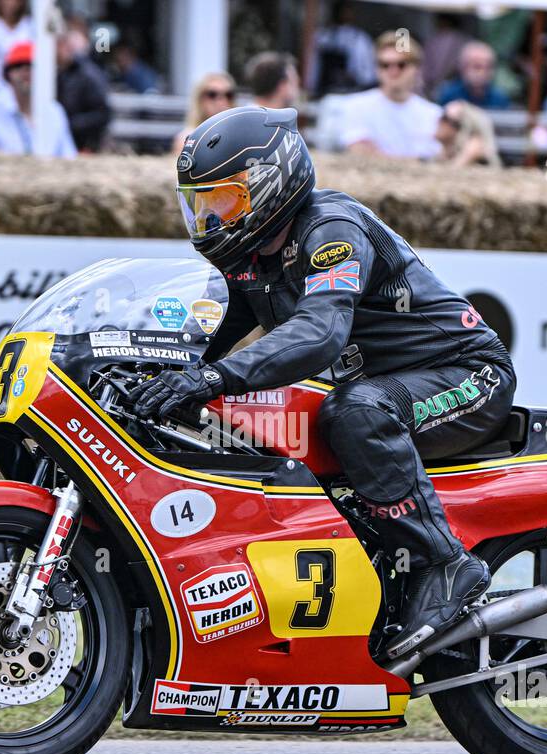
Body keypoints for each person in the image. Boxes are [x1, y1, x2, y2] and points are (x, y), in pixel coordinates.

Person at [136, 106, 516, 648]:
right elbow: (209, 331)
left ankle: (445, 564)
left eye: (225, 201)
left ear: (271, 183)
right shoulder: (249, 259)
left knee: (356, 412)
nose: (212, 218)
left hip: (467, 374)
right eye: (202, 205)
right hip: (388, 386)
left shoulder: (330, 228)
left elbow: (320, 333)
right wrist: (156, 374)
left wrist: (213, 379)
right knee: (275, 423)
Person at [0, 41, 76, 157]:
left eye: (33, 66)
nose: (26, 71)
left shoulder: (54, 111)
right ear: (7, 73)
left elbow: (68, 157)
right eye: (18, 66)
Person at [340, 32, 441, 159]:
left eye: (401, 65)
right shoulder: (355, 106)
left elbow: (440, 157)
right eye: (385, 65)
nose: (393, 71)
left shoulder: (434, 114)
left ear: (416, 68)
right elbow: (361, 152)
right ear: (377, 69)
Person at [56, 27, 111, 152]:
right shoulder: (62, 73)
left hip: (84, 145)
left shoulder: (89, 75)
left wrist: (70, 124)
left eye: (59, 45)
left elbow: (103, 114)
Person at [309, 0, 376, 94]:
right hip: (325, 94)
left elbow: (368, 75)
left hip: (351, 94)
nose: (344, 14)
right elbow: (313, 70)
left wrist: (352, 77)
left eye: (347, 10)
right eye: (340, 10)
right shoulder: (323, 37)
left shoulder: (359, 39)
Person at [172, 71, 235, 154]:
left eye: (228, 95)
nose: (221, 101)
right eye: (212, 94)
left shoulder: (239, 136)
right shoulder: (187, 139)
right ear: (199, 99)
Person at [436, 40, 510, 110]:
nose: (483, 72)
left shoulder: (499, 98)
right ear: (463, 67)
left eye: (488, 67)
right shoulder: (449, 95)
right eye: (477, 67)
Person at [435, 99, 501, 167]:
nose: (439, 122)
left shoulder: (473, 146)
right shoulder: (446, 147)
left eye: (445, 119)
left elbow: (454, 169)